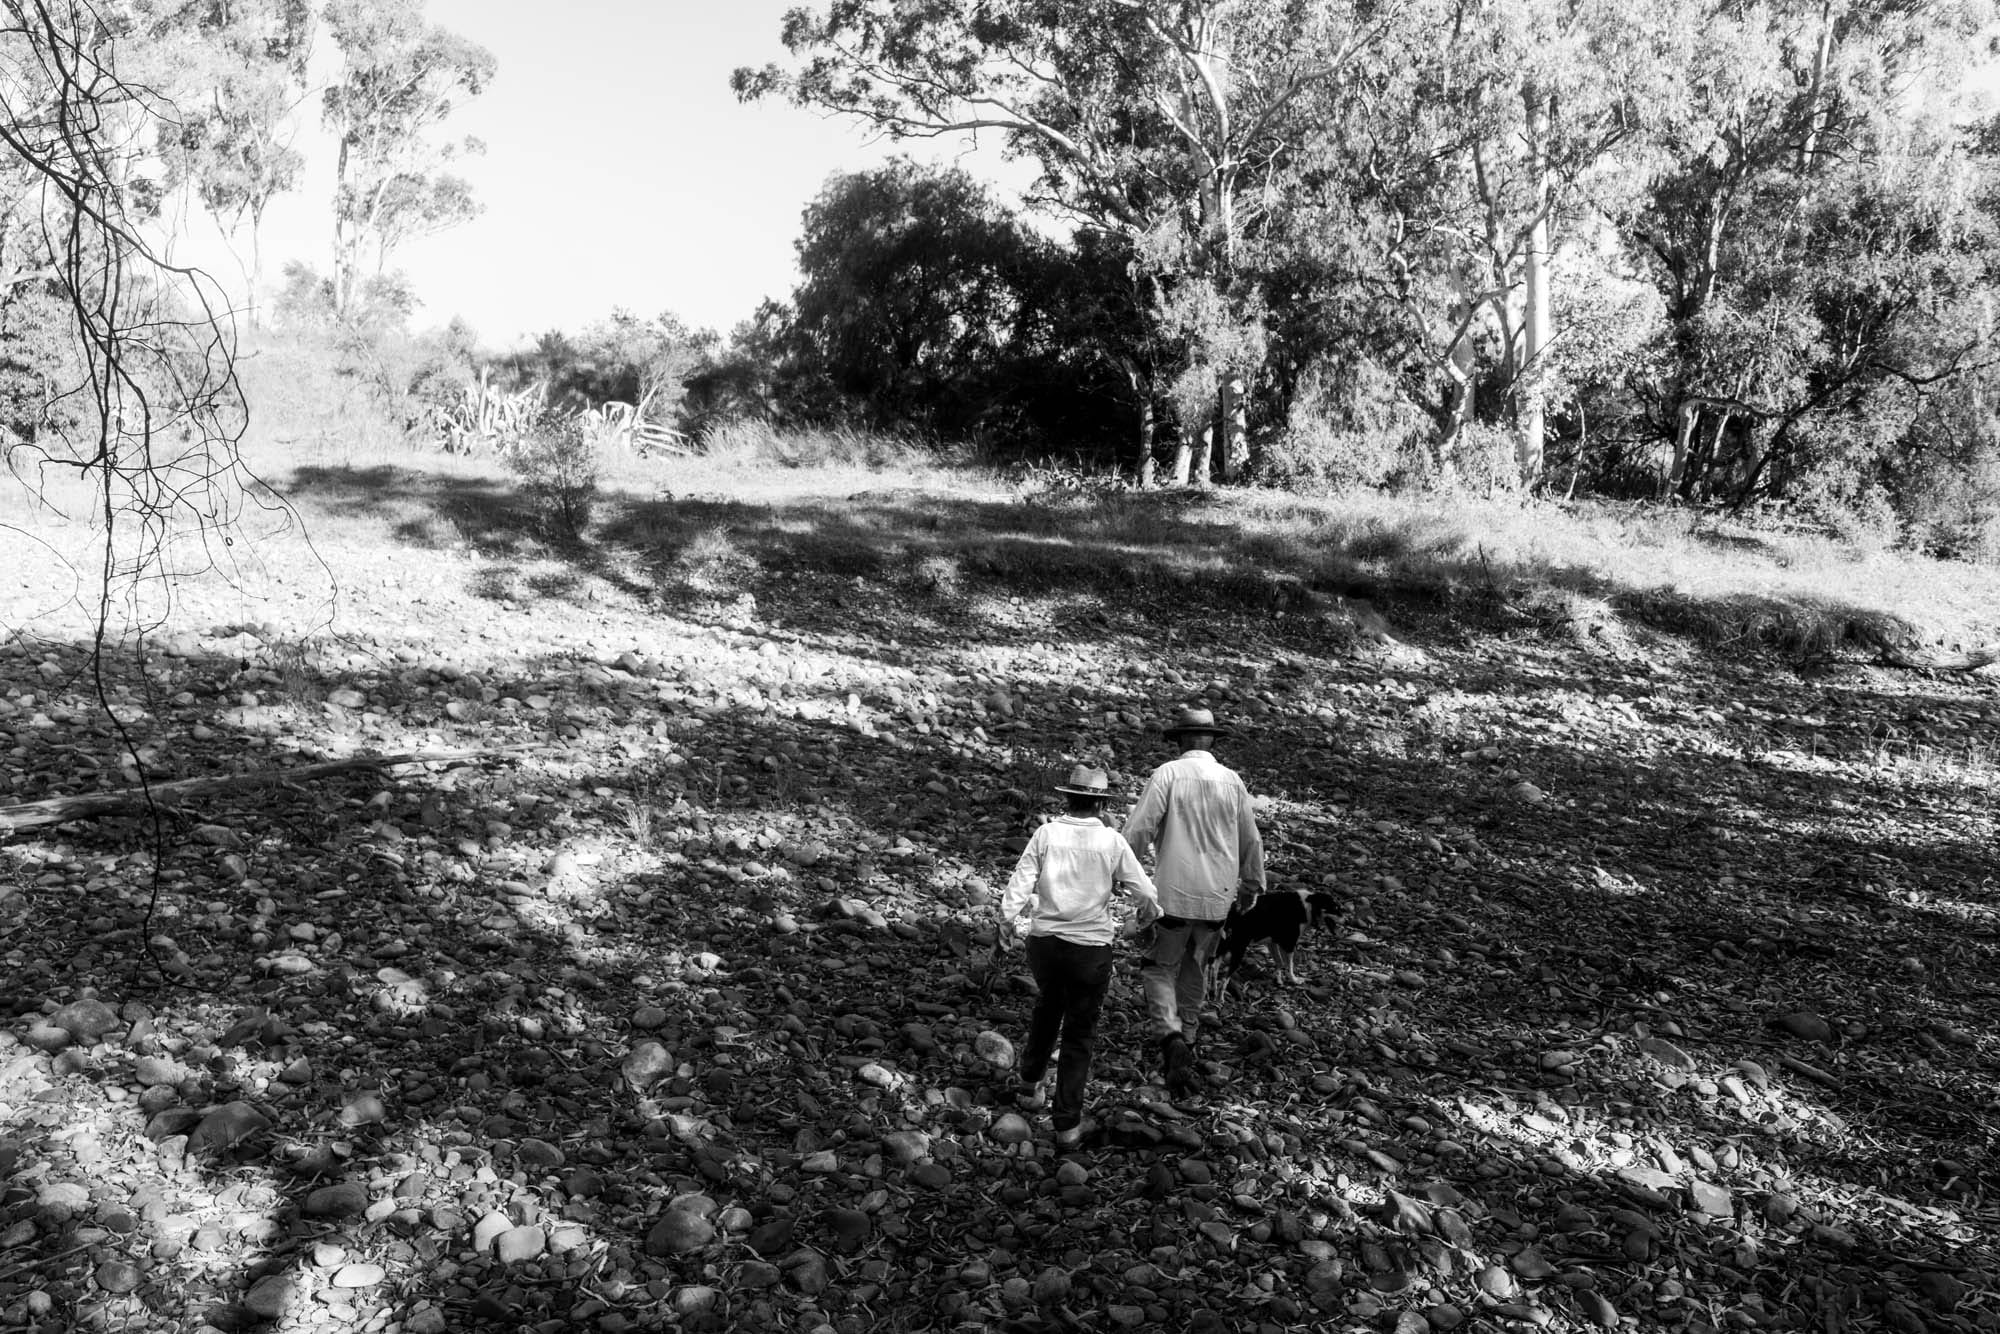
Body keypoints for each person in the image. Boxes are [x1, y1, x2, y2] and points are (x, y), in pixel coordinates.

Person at [998, 764, 1160, 1147]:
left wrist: (1005, 922)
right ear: (1102, 803)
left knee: (1048, 1007)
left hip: (1046, 944)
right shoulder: (1112, 842)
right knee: (1079, 1033)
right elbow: (1146, 894)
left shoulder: (1047, 833)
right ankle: (1067, 1125)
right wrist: (1147, 920)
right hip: (1090, 949)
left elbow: (1020, 882)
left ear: (1067, 798)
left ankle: (1028, 1085)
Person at [1122, 705, 1267, 1095]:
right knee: (1196, 964)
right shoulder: (1232, 781)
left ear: (1181, 740)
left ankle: (1169, 1037)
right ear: (1211, 740)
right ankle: (1189, 1032)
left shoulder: (1168, 774)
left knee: (1158, 966)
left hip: (1173, 892)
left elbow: (1140, 828)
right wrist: (1251, 886)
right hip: (1217, 896)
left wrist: (1117, 868)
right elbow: (1250, 840)